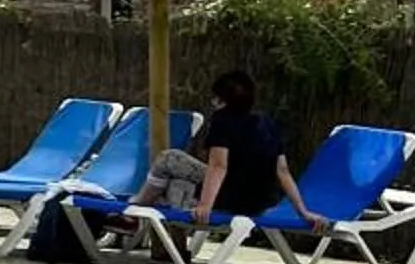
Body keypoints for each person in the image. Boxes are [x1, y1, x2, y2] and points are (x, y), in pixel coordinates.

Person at [136, 71, 324, 230]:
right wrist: (303, 212)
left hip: (230, 197)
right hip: (259, 203)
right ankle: (175, 251)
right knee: (178, 183)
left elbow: (218, 166)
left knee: (169, 158)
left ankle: (135, 211)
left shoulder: (223, 121)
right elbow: (282, 171)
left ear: (221, 99)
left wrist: (205, 206)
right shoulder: (267, 123)